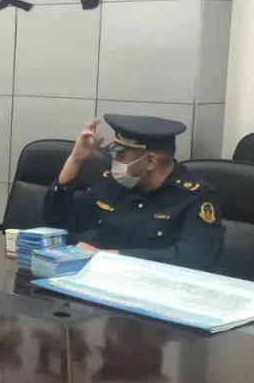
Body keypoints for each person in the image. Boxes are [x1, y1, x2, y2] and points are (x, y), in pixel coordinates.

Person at [45, 115, 225, 270]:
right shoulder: (114, 183)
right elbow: (61, 220)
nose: (114, 162)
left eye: (121, 156)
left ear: (151, 161)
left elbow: (193, 258)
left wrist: (107, 256)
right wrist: (75, 160)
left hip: (161, 287)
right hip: (103, 279)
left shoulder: (196, 195)